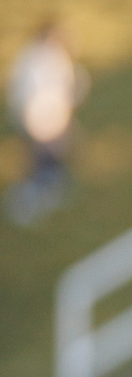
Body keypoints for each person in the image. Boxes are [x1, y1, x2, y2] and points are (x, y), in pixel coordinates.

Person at [4, 23, 86, 226]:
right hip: (39, 119)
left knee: (51, 160)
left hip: (49, 118)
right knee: (42, 162)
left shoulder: (50, 57)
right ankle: (35, 197)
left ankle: (50, 190)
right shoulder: (34, 60)